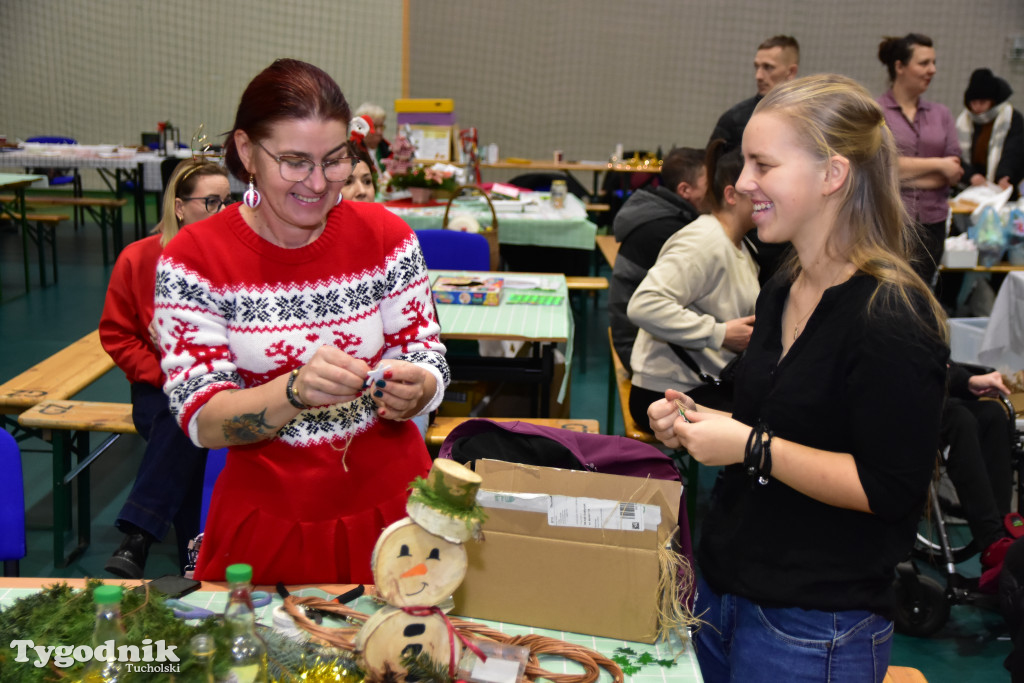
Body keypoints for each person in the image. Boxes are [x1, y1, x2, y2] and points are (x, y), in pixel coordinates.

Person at [648, 74, 949, 682]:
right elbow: (776, 412)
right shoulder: (786, 281)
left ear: (832, 175)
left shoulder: (889, 316)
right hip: (727, 591)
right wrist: (698, 420)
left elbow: (889, 488)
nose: (742, 183)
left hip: (816, 623)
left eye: (764, 164)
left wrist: (750, 447)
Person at [153, 59, 449, 586]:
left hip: (395, 514)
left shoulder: (386, 237)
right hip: (269, 525)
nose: (318, 183)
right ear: (246, 152)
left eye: (334, 161)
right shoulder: (195, 259)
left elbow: (424, 351)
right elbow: (203, 419)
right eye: (294, 162)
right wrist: (292, 390)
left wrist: (420, 387)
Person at [99, 158, 232, 578]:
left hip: (226, 383)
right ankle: (194, 552)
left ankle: (139, 536)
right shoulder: (137, 259)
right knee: (185, 418)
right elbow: (117, 336)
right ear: (179, 206)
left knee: (192, 418)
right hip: (159, 389)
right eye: (211, 201)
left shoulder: (234, 258)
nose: (222, 212)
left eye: (229, 201)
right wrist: (165, 375)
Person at [627, 141, 758, 424]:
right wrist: (719, 333)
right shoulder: (704, 241)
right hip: (665, 392)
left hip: (704, 381)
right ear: (731, 195)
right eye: (758, 192)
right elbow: (643, 305)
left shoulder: (740, 246)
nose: (768, 200)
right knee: (772, 427)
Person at [608, 146, 706, 372]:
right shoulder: (667, 228)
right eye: (711, 186)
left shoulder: (660, 211)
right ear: (685, 190)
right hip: (638, 351)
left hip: (639, 339)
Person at [877, 33, 963, 286]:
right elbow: (880, 167)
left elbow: (955, 170)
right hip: (891, 222)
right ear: (900, 67)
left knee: (923, 293)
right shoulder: (876, 112)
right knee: (887, 293)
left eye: (933, 63)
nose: (932, 70)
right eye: (924, 63)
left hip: (933, 222)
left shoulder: (941, 114)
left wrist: (901, 173)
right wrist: (938, 165)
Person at [707, 35, 800, 153]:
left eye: (768, 67)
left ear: (791, 72)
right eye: (757, 67)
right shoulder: (734, 119)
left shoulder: (809, 120)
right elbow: (709, 166)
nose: (758, 76)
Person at [957, 68, 1024, 197]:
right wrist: (970, 175)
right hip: (970, 188)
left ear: (993, 102)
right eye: (973, 103)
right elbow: (956, 153)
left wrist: (1005, 175)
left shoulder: (1011, 118)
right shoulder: (963, 122)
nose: (977, 107)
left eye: (982, 102)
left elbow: (1013, 150)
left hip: (1003, 187)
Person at [353, 102, 391, 169]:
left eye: (381, 126)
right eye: (375, 126)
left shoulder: (388, 149)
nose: (379, 132)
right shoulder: (353, 151)